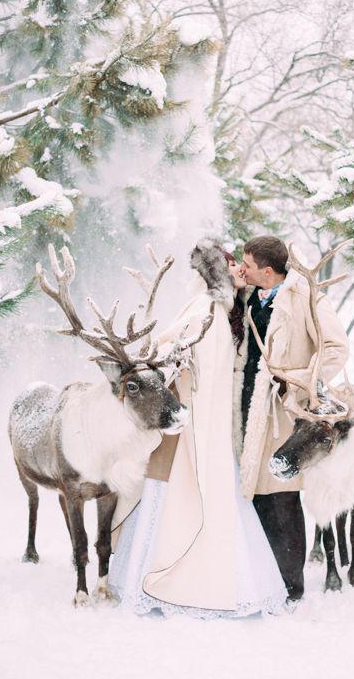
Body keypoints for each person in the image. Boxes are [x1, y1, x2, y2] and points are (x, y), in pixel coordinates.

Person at [108, 238, 287, 618]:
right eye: (232, 264)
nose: (240, 268)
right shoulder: (205, 308)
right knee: (187, 496)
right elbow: (168, 350)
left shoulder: (222, 309)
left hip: (215, 424)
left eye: (244, 263)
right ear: (217, 274)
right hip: (195, 425)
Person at [234, 235, 349, 603]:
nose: (242, 269)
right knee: (254, 497)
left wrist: (298, 385)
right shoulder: (248, 297)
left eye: (247, 265)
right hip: (247, 410)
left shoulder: (308, 299)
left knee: (280, 497)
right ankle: (260, 579)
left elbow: (336, 349)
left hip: (284, 413)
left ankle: (290, 588)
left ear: (267, 271)